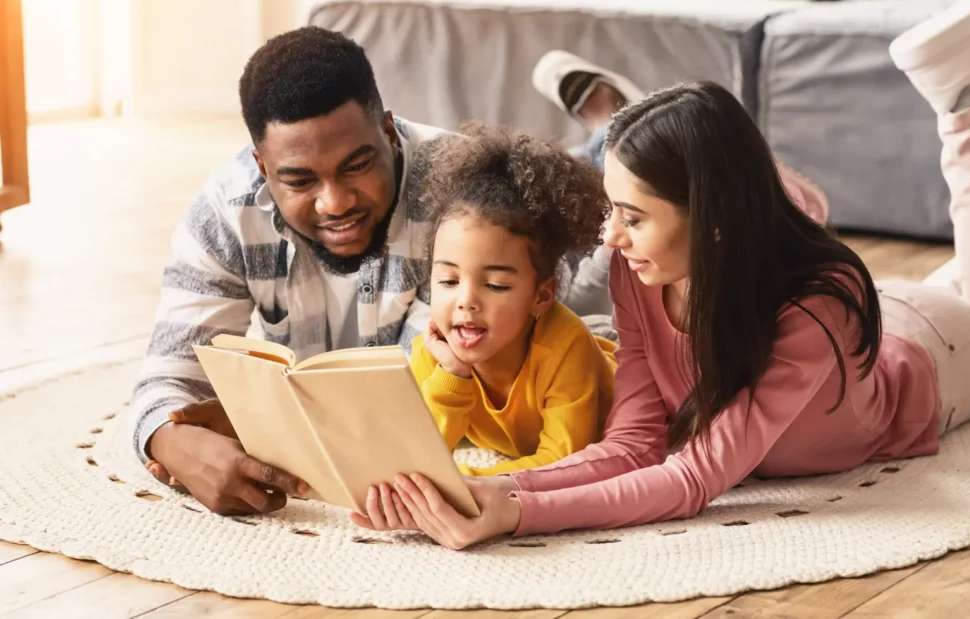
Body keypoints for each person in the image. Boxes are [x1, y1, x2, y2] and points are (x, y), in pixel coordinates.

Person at [356, 0, 970, 549]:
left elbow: (693, 476)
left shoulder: (816, 308)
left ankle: (964, 106)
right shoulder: (639, 268)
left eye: (635, 216)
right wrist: (487, 486)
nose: (612, 237)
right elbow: (636, 445)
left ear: (710, 222)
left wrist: (518, 512)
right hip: (825, 288)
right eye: (614, 209)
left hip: (932, 350)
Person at [132, 27, 613, 516]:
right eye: (299, 180)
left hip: (553, 261)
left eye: (356, 166)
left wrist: (257, 420)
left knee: (611, 198)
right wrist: (169, 441)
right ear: (261, 164)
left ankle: (609, 128)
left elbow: (407, 404)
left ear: (388, 131)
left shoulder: (462, 204)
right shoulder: (224, 214)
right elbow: (168, 373)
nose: (335, 202)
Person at [349, 126, 618, 530]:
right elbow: (422, 455)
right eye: (448, 281)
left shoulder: (564, 345)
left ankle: (606, 130)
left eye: (495, 285)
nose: (466, 301)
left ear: (541, 297)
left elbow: (564, 461)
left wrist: (467, 485)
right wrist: (453, 377)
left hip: (626, 372)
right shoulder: (434, 351)